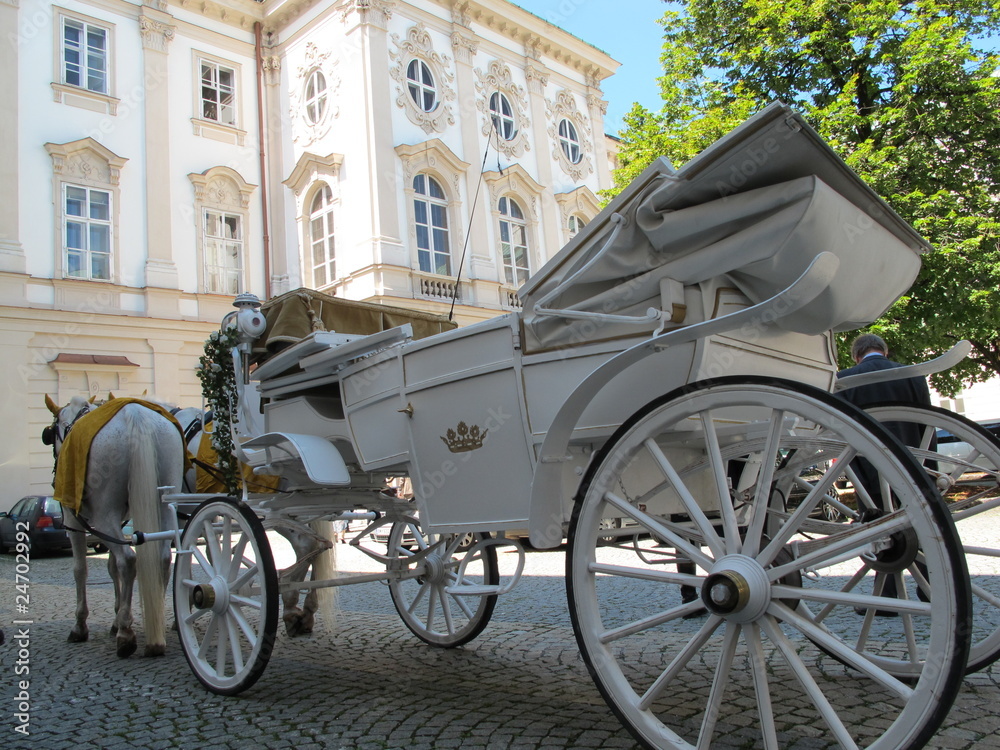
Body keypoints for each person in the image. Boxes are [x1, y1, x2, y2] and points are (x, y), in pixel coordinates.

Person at [836, 332, 932, 612]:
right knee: (920, 524)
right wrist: (930, 469)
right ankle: (932, 588)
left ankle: (888, 597)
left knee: (881, 529)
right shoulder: (912, 375)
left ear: (857, 355)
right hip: (911, 461)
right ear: (884, 351)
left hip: (869, 465)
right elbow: (928, 422)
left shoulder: (845, 379)